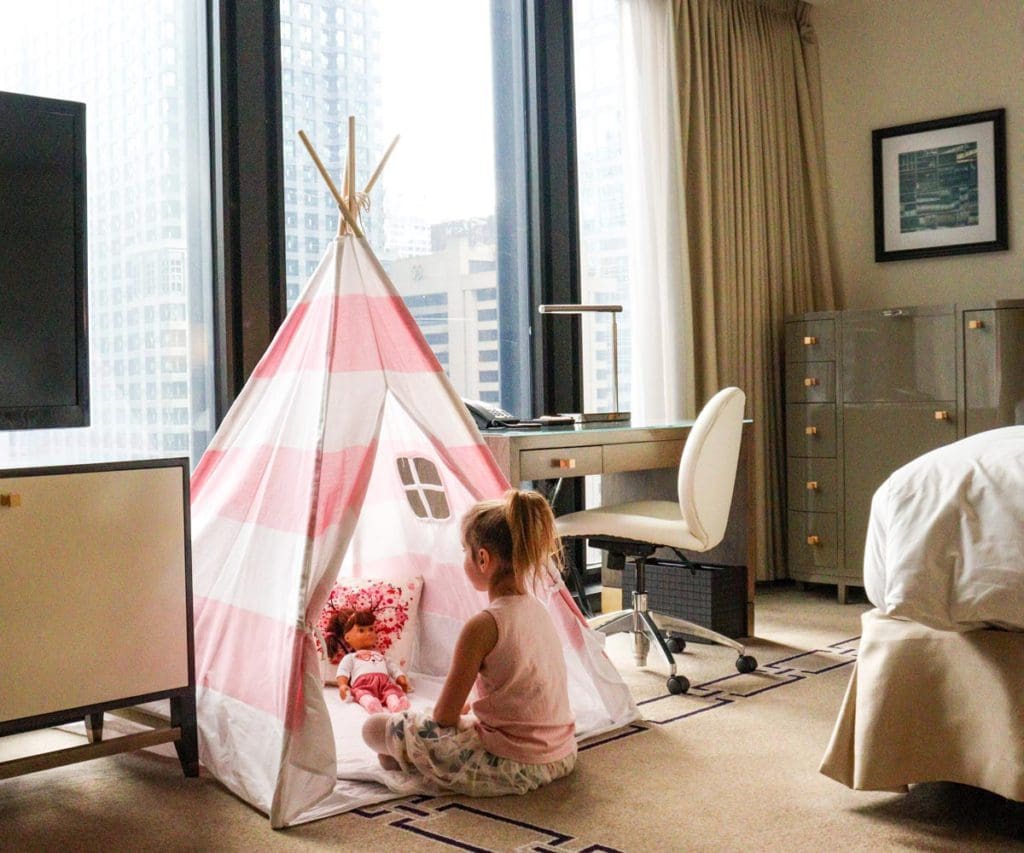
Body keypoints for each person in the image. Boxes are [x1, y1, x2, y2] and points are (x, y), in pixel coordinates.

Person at [361, 489, 577, 796]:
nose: (463, 559)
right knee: (401, 744)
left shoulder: (484, 625)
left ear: (483, 558)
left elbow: (444, 717)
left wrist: (456, 718)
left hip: (511, 763)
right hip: (561, 754)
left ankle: (406, 758)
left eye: (465, 551)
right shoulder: (538, 610)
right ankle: (405, 757)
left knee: (374, 729)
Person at [336, 610, 411, 713]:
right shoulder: (351, 657)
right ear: (347, 637)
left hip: (385, 683)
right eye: (361, 631)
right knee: (361, 693)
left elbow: (393, 668)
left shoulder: (381, 656)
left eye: (371, 629)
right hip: (363, 683)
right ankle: (370, 704)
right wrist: (342, 685)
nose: (369, 633)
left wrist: (400, 678)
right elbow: (343, 671)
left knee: (391, 691)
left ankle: (395, 705)